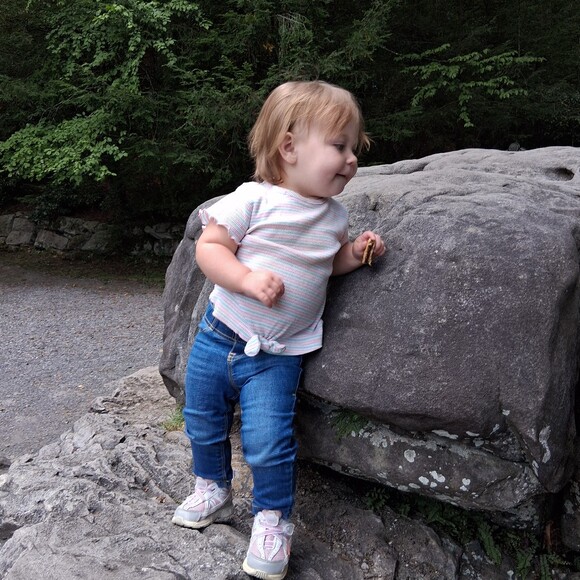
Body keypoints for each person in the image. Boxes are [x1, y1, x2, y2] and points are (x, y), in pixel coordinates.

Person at [171, 80, 386, 580]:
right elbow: (210, 248)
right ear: (289, 148)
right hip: (219, 335)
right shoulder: (253, 198)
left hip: (278, 356)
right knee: (202, 420)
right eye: (339, 146)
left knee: (269, 440)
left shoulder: (334, 216)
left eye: (354, 147)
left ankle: (272, 520)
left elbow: (327, 263)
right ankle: (212, 488)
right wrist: (246, 278)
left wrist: (355, 253)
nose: (352, 158)